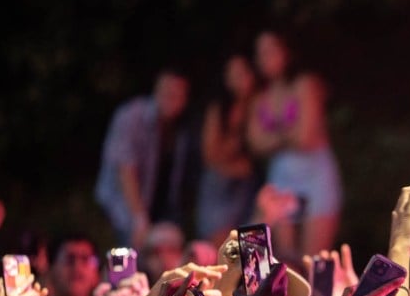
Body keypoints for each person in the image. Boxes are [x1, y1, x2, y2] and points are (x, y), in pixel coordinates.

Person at [246, 30, 342, 267]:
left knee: (314, 260)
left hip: (316, 174)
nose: (264, 59)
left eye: (270, 51)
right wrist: (289, 135)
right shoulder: (261, 95)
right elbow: (255, 142)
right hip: (283, 176)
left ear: (286, 52)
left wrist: (274, 138)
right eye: (260, 53)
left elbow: (305, 137)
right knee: (285, 259)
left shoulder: (305, 84)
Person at [93, 67, 195, 248]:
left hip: (158, 210)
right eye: (166, 93)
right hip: (118, 209)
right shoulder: (131, 117)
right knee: (125, 258)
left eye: (176, 95)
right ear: (156, 90)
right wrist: (139, 217)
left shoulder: (181, 130)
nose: (171, 99)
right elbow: (125, 169)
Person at [198, 54, 262, 245]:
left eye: (242, 74)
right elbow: (210, 156)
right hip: (221, 187)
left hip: (252, 187)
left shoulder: (261, 103)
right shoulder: (220, 109)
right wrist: (237, 126)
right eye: (232, 75)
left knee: (251, 246)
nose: (237, 81)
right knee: (221, 245)